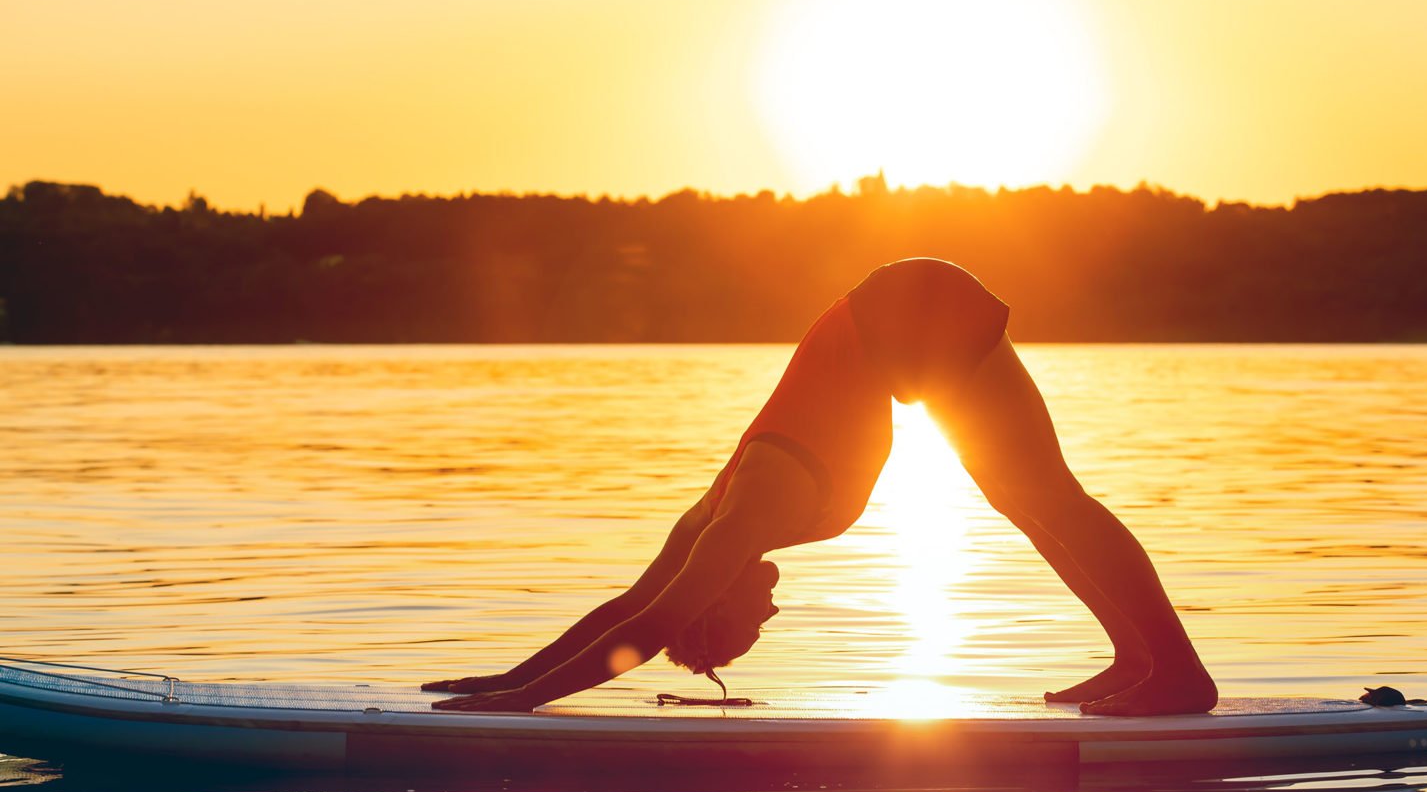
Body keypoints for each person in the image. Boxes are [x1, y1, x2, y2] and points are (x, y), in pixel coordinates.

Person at [423, 258, 1217, 716]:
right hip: (893, 329)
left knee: (1047, 493)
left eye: (746, 625)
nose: (771, 612)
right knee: (1024, 499)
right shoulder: (713, 520)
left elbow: (654, 617)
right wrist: (507, 677)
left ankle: (1175, 671)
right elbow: (630, 607)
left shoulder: (740, 519)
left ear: (713, 598)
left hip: (915, 310)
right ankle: (1139, 657)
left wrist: (515, 704)